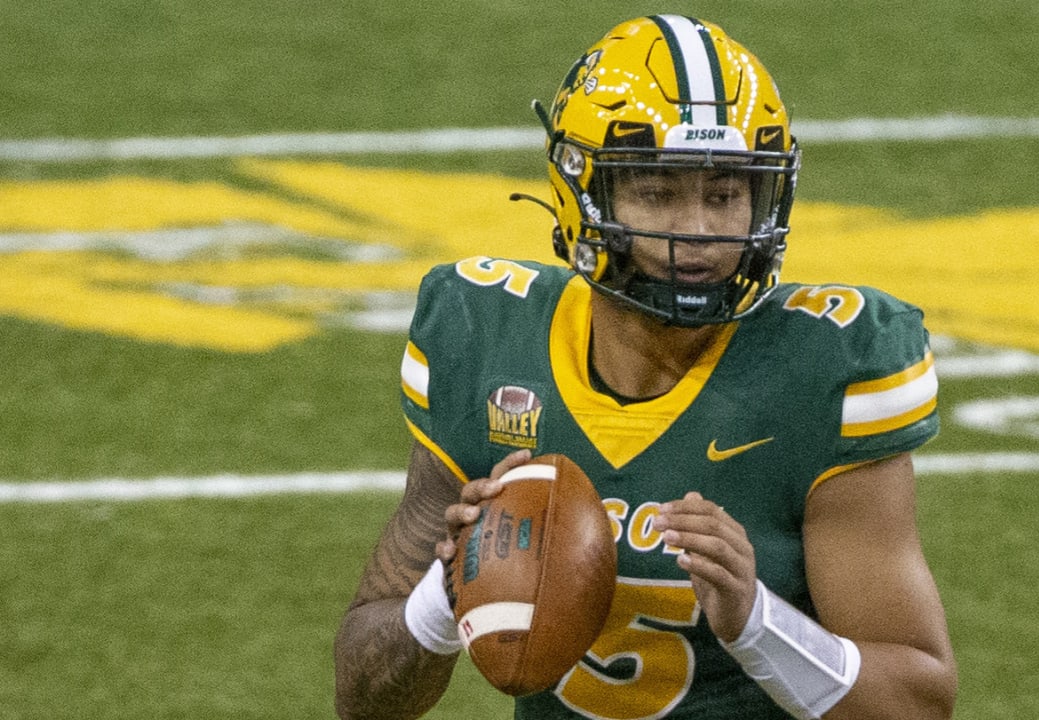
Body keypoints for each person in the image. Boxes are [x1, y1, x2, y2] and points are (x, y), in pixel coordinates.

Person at [334, 14, 956, 720]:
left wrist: (758, 625)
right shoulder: (485, 338)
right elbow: (363, 699)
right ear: (584, 194)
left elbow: (919, 703)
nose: (696, 231)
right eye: (658, 192)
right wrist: (442, 598)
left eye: (724, 195)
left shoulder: (827, 368)